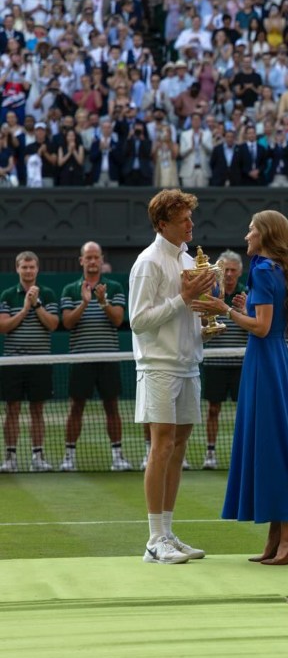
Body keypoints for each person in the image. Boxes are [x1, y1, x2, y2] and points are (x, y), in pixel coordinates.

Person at [193, 211, 288, 566]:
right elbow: (273, 325)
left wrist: (223, 308)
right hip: (273, 360)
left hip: (264, 361)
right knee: (272, 443)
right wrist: (243, 310)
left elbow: (260, 328)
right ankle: (277, 536)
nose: (246, 236)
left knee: (271, 445)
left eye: (251, 230)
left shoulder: (261, 269)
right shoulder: (274, 270)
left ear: (266, 235)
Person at [129, 189, 216, 564]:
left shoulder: (187, 259)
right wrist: (183, 298)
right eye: (183, 220)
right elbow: (138, 321)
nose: (191, 225)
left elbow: (186, 312)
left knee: (178, 448)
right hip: (158, 365)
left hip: (188, 363)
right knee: (161, 446)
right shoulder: (148, 262)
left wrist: (208, 320)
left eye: (190, 218)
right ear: (163, 224)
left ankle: (166, 532)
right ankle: (153, 539)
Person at [60, 242, 131, 472]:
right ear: (81, 260)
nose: (92, 261)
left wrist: (102, 302)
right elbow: (68, 322)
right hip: (81, 359)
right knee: (76, 407)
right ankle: (69, 457)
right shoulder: (70, 289)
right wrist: (85, 302)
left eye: (95, 257)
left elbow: (118, 320)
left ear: (101, 260)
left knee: (112, 407)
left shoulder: (114, 287)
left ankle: (117, 456)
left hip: (107, 358)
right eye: (88, 257)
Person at [0, 251, 58, 473]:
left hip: (39, 362)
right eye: (24, 267)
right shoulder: (7, 295)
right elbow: (3, 327)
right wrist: (25, 308)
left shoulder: (49, 294)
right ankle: (11, 458)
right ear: (17, 269)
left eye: (32, 267)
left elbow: (53, 324)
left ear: (37, 269)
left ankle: (37, 457)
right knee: (12, 409)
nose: (28, 271)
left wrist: (36, 305)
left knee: (37, 410)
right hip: (13, 362)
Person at [201, 250, 247, 471]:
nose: (229, 274)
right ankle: (210, 453)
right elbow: (200, 322)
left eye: (232, 270)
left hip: (241, 363)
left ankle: (243, 454)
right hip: (214, 361)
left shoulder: (246, 295)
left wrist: (242, 312)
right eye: (225, 270)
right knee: (213, 410)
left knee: (244, 412)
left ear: (239, 272)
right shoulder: (211, 293)